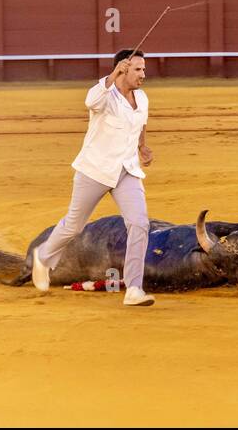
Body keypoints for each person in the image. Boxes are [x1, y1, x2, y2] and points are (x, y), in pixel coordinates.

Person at [32, 50, 157, 307]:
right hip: (95, 170)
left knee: (139, 224)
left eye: (144, 70)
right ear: (122, 69)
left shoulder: (142, 98)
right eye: (137, 70)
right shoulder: (105, 96)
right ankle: (42, 258)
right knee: (74, 226)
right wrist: (113, 75)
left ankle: (134, 288)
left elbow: (140, 124)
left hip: (126, 171)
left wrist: (142, 147)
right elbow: (90, 101)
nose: (143, 75)